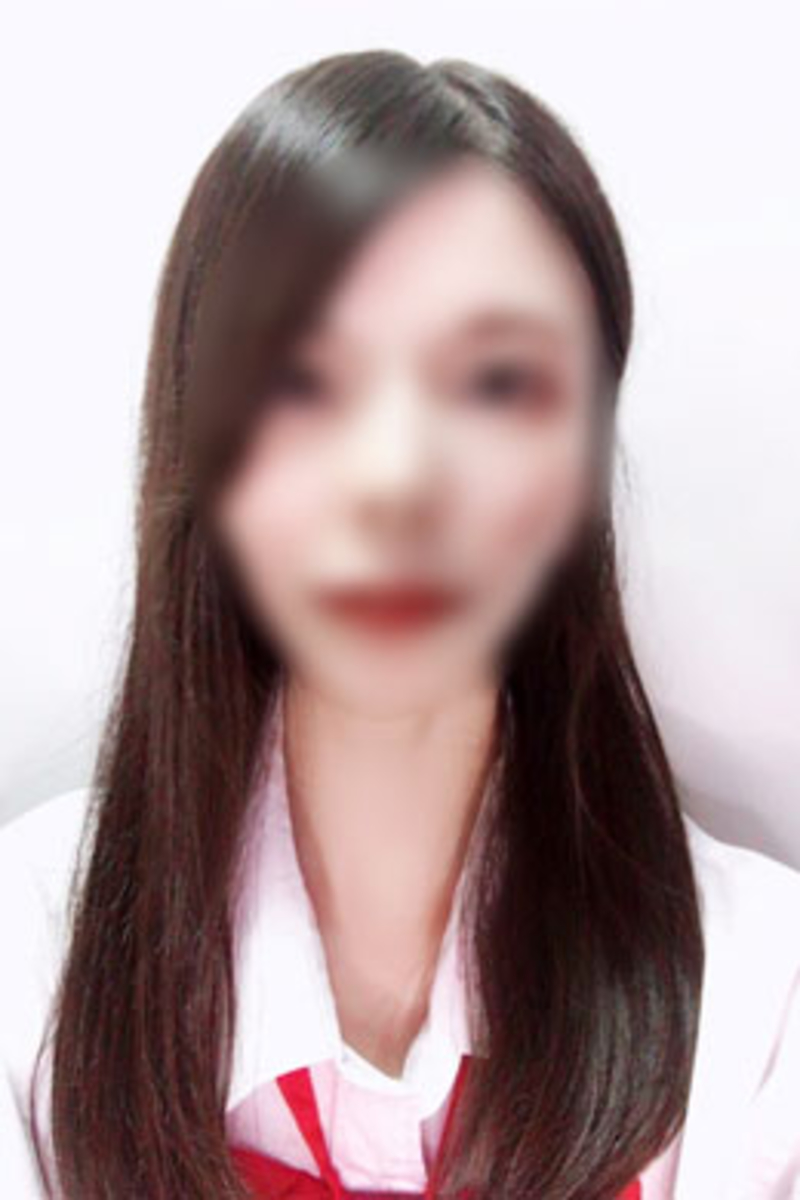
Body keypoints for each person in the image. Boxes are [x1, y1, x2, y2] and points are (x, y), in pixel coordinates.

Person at [1, 49, 799, 1200]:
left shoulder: (759, 1011)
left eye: (494, 384)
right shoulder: (31, 970)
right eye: (303, 382)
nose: (396, 480)